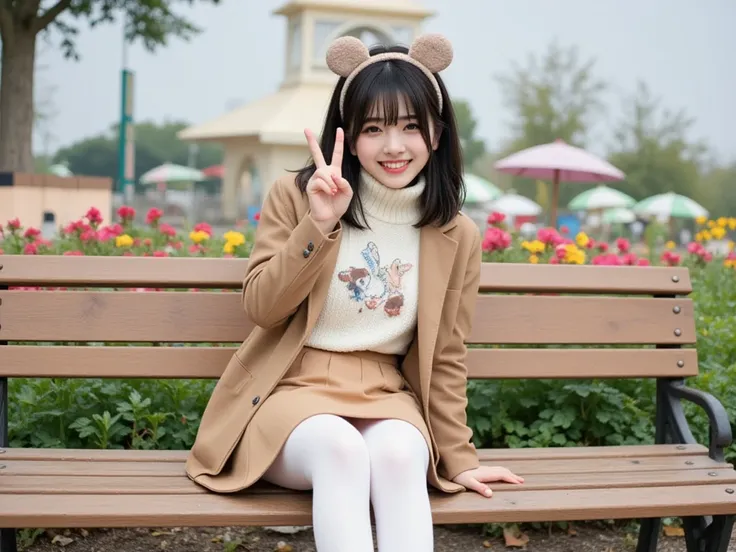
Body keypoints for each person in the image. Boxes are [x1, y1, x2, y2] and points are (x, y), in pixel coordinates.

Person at [186, 32, 524, 552]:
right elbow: (262, 307)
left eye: (411, 126)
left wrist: (462, 461)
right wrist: (319, 227)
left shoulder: (456, 234)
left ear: (437, 133)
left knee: (398, 456)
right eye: (374, 129)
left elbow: (448, 356)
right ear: (347, 134)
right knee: (340, 449)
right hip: (289, 391)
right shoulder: (298, 198)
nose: (394, 146)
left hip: (387, 396)